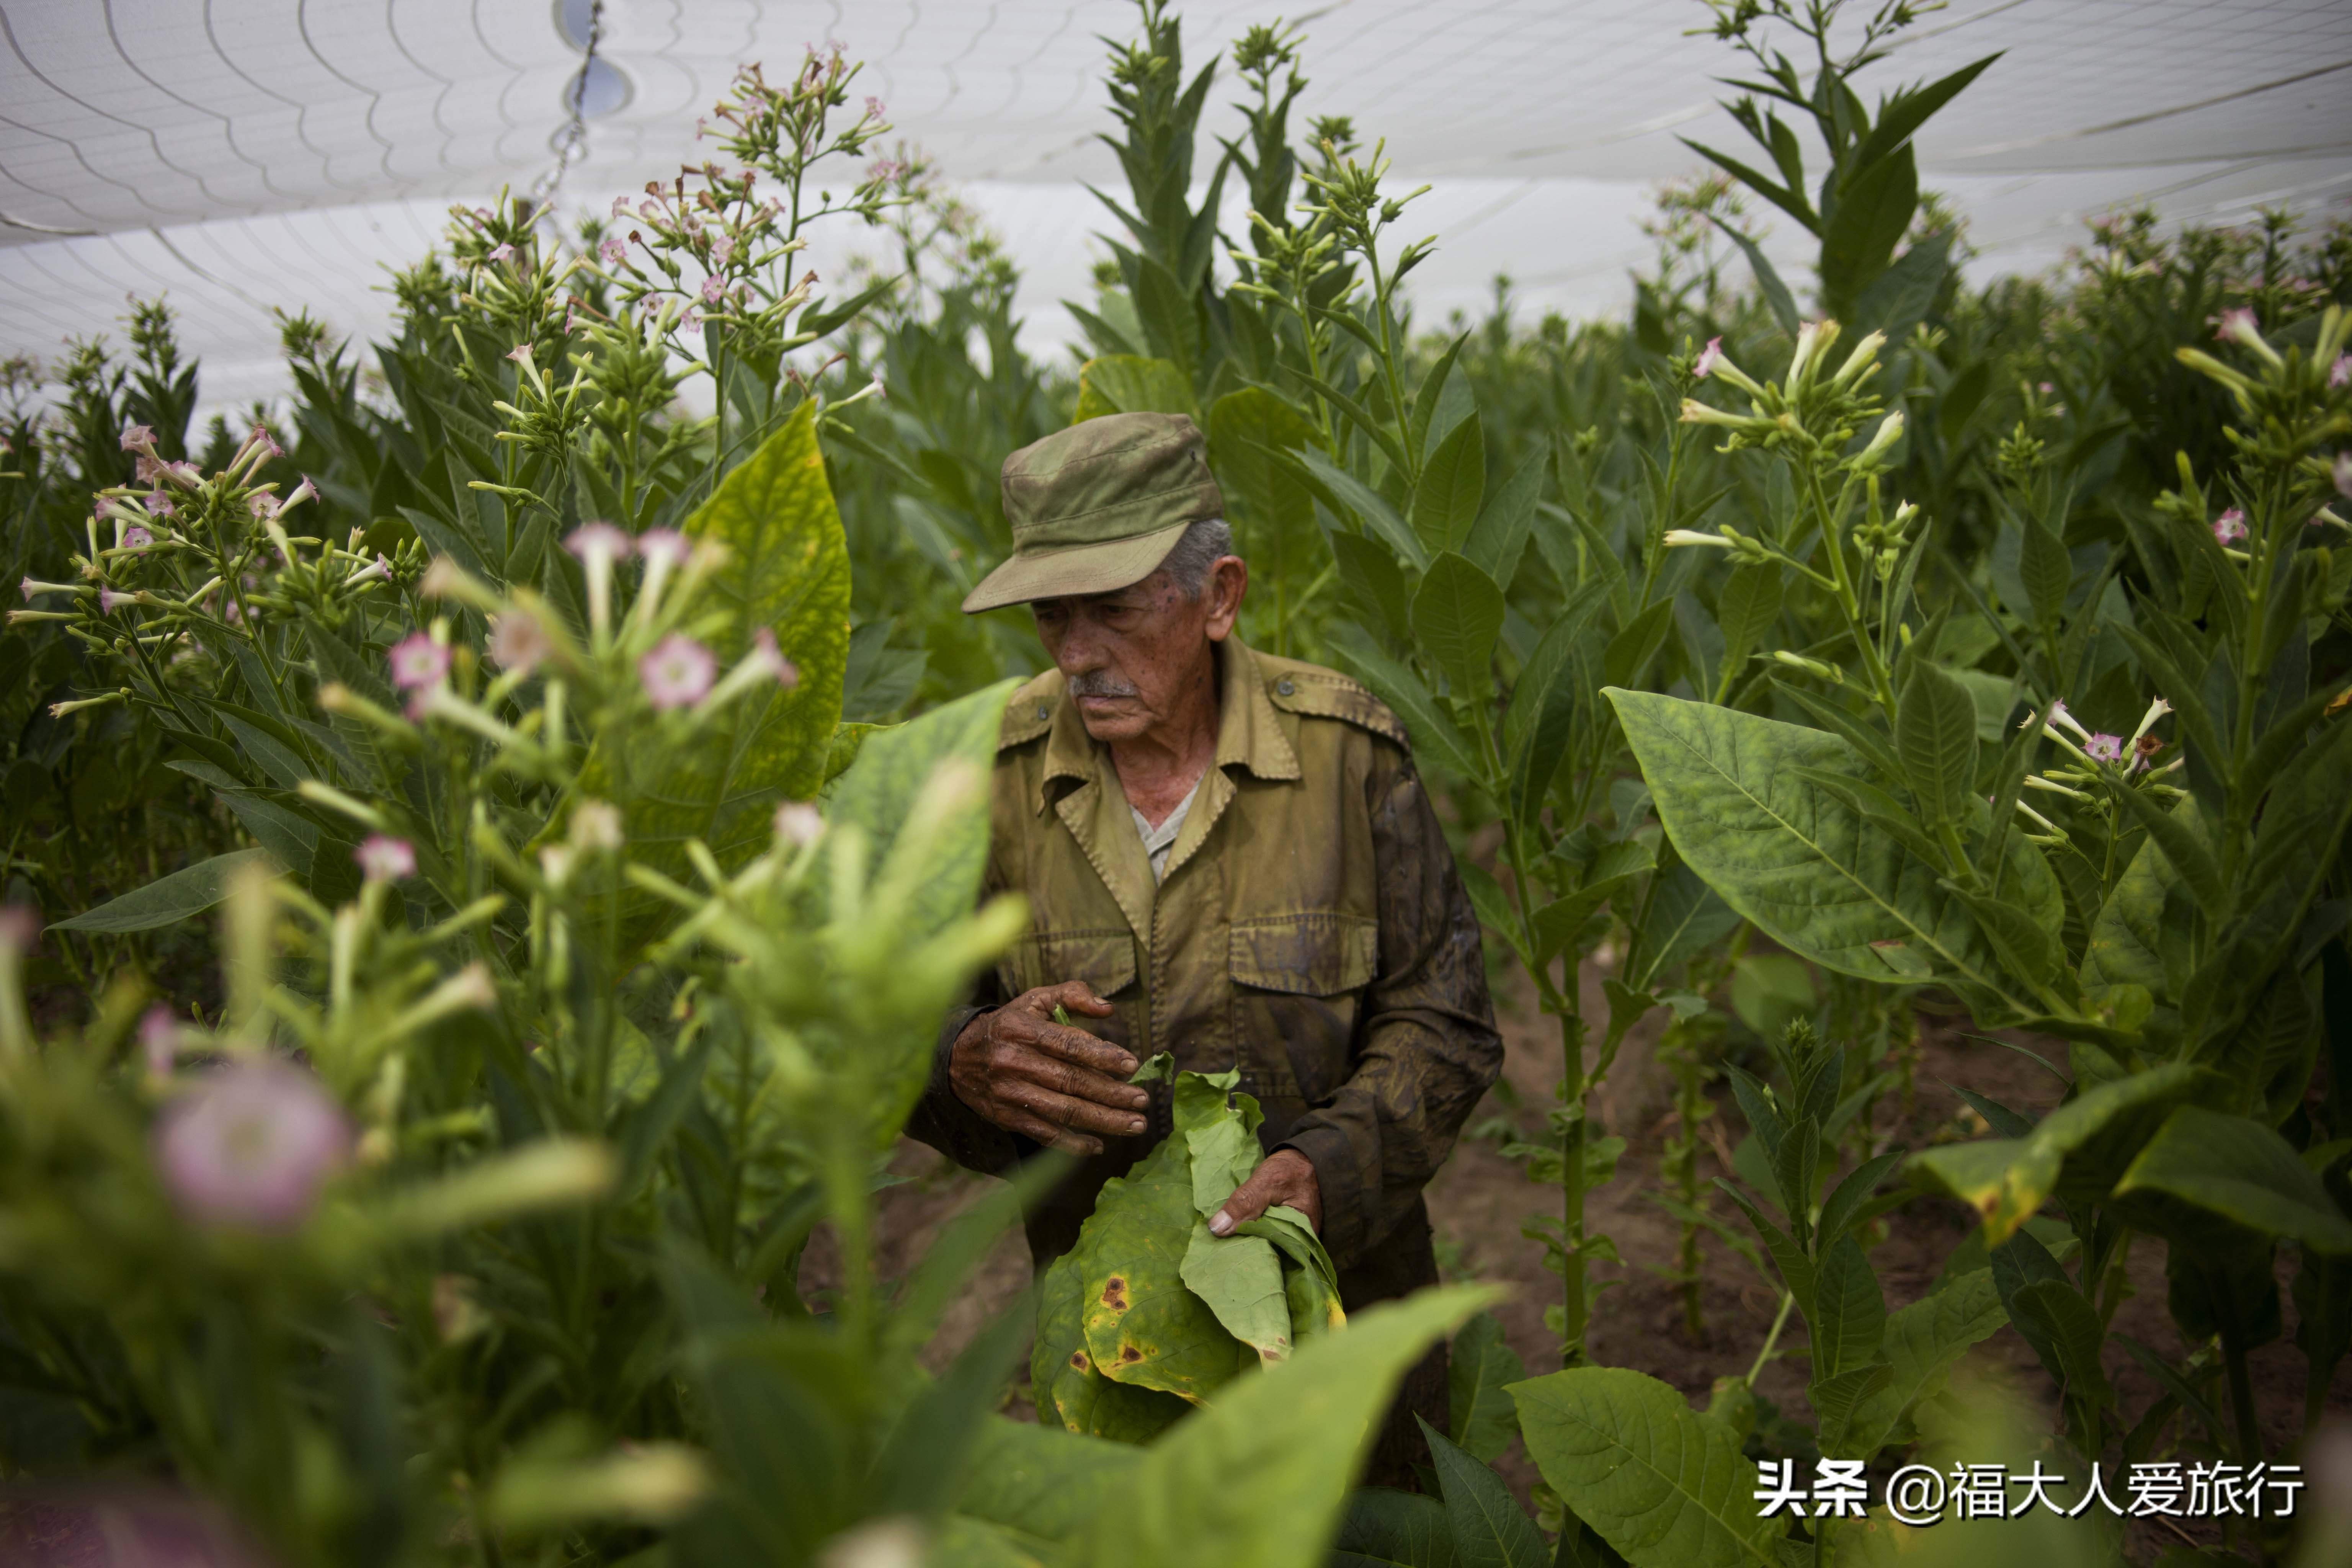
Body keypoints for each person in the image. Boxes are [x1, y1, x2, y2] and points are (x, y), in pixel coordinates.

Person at [905, 410, 1501, 1480]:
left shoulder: (1344, 758)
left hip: (1345, 1327)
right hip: (1111, 1352)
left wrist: (1326, 1173)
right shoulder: (984, 783)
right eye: (1052, 615)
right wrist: (960, 1059)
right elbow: (893, 1028)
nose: (1079, 654)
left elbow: (1443, 1017)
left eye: (1118, 611)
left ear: (1218, 596)